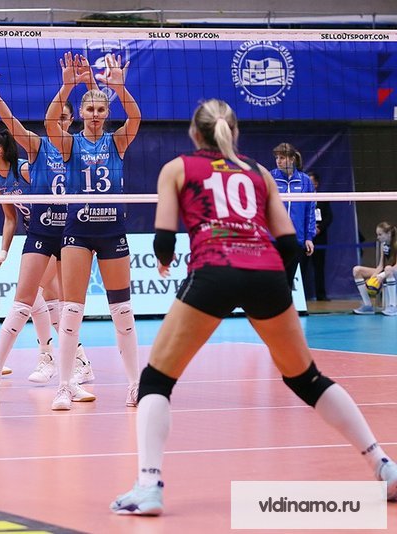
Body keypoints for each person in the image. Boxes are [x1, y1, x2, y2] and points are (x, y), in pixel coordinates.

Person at [110, 99, 397, 516]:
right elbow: (288, 243)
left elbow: (164, 240)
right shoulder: (259, 172)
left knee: (156, 380)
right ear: (235, 132)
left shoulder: (177, 168)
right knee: (307, 378)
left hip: (213, 271)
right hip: (266, 273)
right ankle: (383, 465)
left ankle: (149, 486)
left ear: (194, 133)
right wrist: (271, 287)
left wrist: (166, 260)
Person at [0, 59, 95, 404]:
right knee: (22, 304)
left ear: (71, 121)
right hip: (41, 232)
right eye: (56, 117)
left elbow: (102, 124)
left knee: (69, 309)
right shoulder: (36, 147)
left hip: (72, 234)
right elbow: (8, 121)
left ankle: (68, 378)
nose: (60, 122)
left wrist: (94, 86)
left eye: (66, 118)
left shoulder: (81, 149)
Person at [44, 52, 142, 411]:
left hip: (112, 230)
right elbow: (50, 121)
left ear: (106, 113)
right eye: (90, 109)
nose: (96, 115)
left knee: (122, 310)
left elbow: (136, 117)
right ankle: (64, 386)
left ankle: (134, 384)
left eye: (101, 110)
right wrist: (68, 87)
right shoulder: (70, 144)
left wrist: (120, 88)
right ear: (82, 113)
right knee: (71, 309)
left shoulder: (117, 142)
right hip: (78, 232)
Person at [271, 143, 315, 290]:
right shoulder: (271, 177)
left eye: (282, 158)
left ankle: (285, 305)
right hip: (274, 238)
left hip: (296, 239)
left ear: (291, 159)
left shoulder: (305, 181)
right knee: (273, 280)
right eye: (277, 158)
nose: (278, 161)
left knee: (288, 282)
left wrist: (309, 237)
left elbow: (310, 210)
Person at [352, 221, 396, 316]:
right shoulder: (383, 244)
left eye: (380, 234)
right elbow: (380, 266)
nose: (378, 237)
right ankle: (368, 305)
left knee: (388, 268)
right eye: (377, 234)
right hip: (388, 271)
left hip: (392, 270)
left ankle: (393, 306)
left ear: (389, 234)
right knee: (357, 270)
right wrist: (374, 277)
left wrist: (382, 275)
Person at [307, 171, 332, 300]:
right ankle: (303, 296)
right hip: (305, 237)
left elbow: (329, 217)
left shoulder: (323, 198)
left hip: (319, 238)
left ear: (316, 184)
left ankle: (321, 295)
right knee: (303, 267)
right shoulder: (300, 198)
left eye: (311, 182)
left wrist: (319, 228)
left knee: (319, 267)